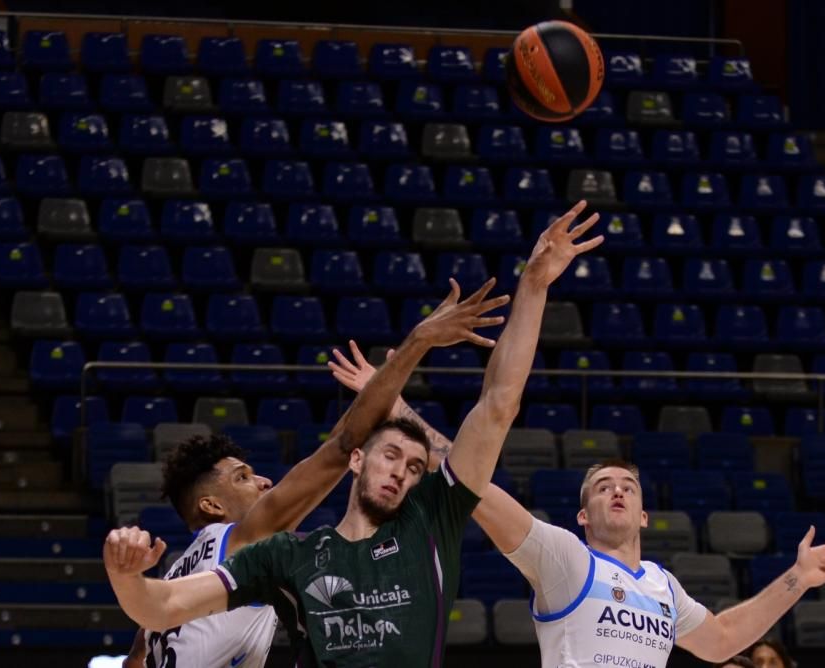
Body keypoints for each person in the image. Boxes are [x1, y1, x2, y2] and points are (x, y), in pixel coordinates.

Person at [103, 200, 604, 666]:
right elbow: (161, 606)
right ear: (358, 461)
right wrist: (126, 576)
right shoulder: (283, 553)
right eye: (390, 455)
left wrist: (534, 284)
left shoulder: (429, 521)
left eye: (415, 465)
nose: (403, 471)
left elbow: (498, 405)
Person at [117, 274, 511, 668]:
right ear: (212, 505)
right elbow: (340, 447)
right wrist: (418, 343)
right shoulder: (245, 539)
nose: (264, 482)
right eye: (243, 477)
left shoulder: (176, 574)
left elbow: (136, 658)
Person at [330, 378, 825, 667]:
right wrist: (399, 409)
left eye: (627, 486)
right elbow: (472, 481)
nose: (617, 490)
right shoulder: (567, 561)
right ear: (583, 515)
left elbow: (723, 639)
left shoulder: (665, 587)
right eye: (603, 487)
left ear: (644, 513)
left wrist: (800, 577)